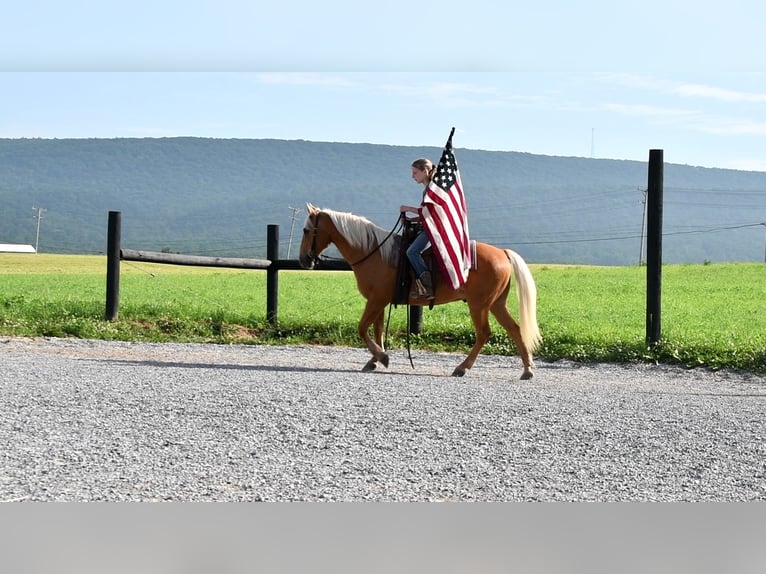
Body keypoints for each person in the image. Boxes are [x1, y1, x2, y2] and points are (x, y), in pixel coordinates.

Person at [399, 158, 435, 300]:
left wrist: (407, 208)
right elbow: (426, 214)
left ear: (425, 171)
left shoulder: (431, 189)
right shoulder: (428, 189)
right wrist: (411, 220)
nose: (412, 176)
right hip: (429, 225)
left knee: (412, 252)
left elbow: (429, 212)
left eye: (415, 172)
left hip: (432, 229)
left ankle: (427, 287)